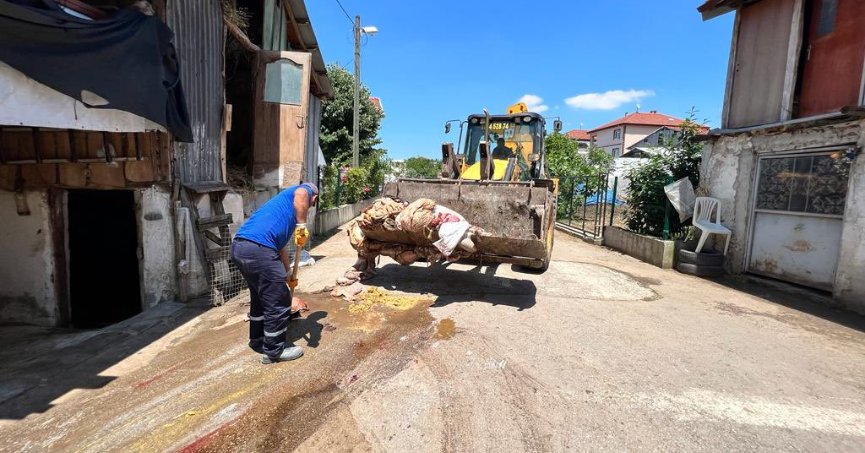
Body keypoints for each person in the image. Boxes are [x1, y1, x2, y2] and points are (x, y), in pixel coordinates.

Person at [230, 182, 319, 364]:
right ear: (314, 199)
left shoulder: (281, 214)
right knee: (278, 299)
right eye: (311, 205)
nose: (308, 207)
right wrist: (302, 225)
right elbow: (303, 193)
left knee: (260, 297)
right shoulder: (304, 191)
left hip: (241, 247)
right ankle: (274, 351)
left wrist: (288, 274)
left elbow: (281, 249)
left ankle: (258, 339)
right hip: (258, 249)